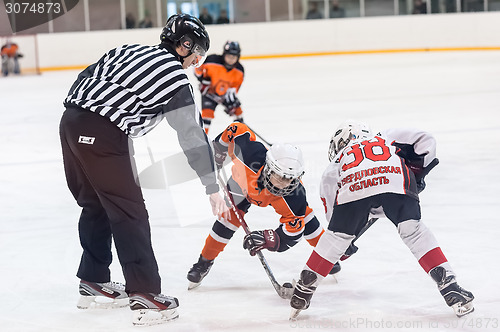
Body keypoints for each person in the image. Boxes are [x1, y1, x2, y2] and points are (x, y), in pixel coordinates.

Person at [59, 14, 228, 326]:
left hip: (70, 122)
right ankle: (147, 296)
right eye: (196, 54)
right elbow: (190, 134)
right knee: (129, 211)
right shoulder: (175, 77)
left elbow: (84, 77)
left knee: (96, 203)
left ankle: (93, 281)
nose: (195, 62)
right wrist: (211, 186)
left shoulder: (126, 50)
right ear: (184, 46)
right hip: (103, 133)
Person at [289, 121, 474, 319]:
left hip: (353, 185)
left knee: (336, 237)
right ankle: (450, 286)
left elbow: (334, 221)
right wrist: (416, 172)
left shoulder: (333, 166)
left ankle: (303, 289)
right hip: (394, 177)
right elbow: (425, 140)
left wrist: (345, 240)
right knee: (414, 232)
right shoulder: (385, 135)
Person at [186, 122, 340, 289]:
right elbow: (236, 128)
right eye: (279, 176)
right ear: (268, 168)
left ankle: (327, 257)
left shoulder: (294, 194)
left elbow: (295, 231)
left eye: (290, 178)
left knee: (305, 216)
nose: (284, 184)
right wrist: (219, 148)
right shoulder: (247, 154)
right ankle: (204, 263)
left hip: (271, 198)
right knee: (227, 220)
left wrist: (271, 239)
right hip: (241, 184)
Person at [194, 41, 244, 134]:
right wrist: (202, 79)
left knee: (238, 113)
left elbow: (234, 89)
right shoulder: (212, 60)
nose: (231, 59)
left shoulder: (239, 71)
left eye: (234, 57)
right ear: (224, 54)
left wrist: (231, 102)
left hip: (225, 94)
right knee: (207, 115)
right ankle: (202, 141)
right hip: (209, 93)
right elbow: (197, 68)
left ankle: (240, 136)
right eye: (229, 56)